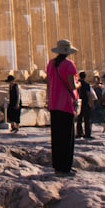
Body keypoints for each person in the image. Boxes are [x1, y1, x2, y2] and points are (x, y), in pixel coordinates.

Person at [47, 39, 79, 177]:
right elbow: (72, 85)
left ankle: (57, 166)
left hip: (54, 104)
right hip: (66, 104)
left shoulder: (51, 64)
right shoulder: (69, 64)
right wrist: (79, 85)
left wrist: (49, 100)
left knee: (56, 136)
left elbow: (48, 83)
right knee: (67, 137)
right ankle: (66, 167)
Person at [74, 71, 96, 140]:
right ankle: (87, 133)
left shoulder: (77, 84)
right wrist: (91, 104)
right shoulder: (86, 84)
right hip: (85, 102)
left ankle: (79, 133)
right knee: (87, 119)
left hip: (78, 101)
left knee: (79, 118)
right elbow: (89, 94)